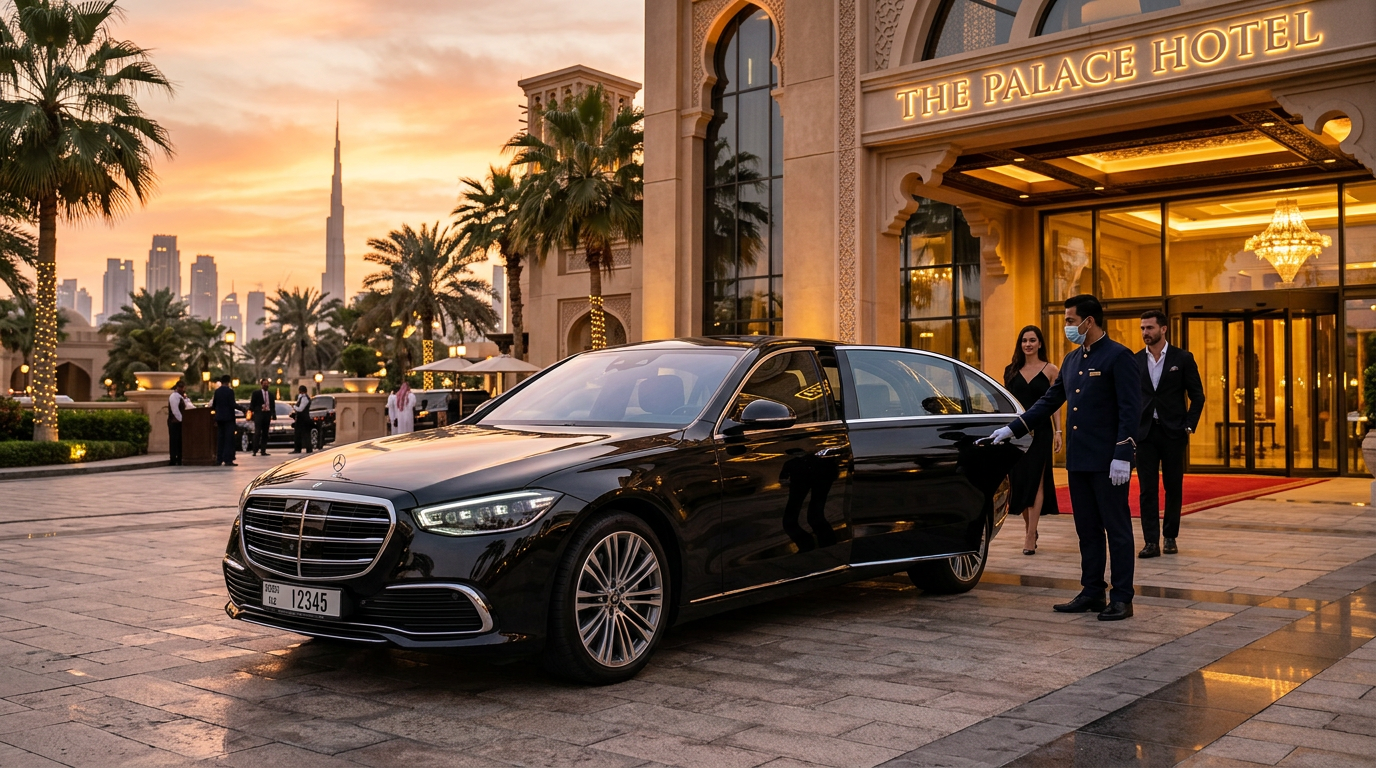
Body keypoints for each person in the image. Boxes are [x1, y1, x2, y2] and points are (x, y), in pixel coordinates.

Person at [989, 294, 1141, 621]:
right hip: (1080, 460)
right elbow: (1049, 401)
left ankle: (1123, 597)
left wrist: (1123, 454)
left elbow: (1131, 411)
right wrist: (1013, 428)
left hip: (1108, 461)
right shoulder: (1072, 361)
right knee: (1086, 528)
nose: (1066, 327)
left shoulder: (1118, 356)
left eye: (1071, 321)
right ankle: (1092, 591)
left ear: (1089, 321)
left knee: (1116, 528)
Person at [1136, 309, 1205, 558]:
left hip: (1173, 433)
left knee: (1173, 486)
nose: (1145, 332)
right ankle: (1151, 541)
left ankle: (1170, 537)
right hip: (1145, 433)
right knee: (1147, 489)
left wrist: (1189, 424)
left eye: (1150, 328)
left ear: (1163, 329)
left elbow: (1197, 395)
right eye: (1143, 328)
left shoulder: (1182, 358)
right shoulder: (1134, 360)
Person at [1002, 326, 1062, 555]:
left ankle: (1029, 535)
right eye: (1024, 341)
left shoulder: (1051, 370)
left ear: (1039, 343)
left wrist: (1059, 432)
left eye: (1032, 340)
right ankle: (1031, 528)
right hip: (1018, 433)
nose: (1028, 344)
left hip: (1042, 432)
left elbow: (1055, 403)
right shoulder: (1011, 370)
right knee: (1021, 482)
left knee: (1037, 480)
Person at [211, 375, 238, 467]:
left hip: (219, 418)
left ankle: (219, 459)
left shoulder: (217, 392)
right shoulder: (230, 392)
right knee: (228, 439)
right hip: (229, 418)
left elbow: (214, 405)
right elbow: (232, 404)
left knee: (220, 438)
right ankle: (228, 459)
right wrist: (242, 408)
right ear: (228, 382)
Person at [167, 381, 193, 466]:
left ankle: (179, 458)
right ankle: (173, 459)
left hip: (179, 422)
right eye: (180, 387)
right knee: (174, 441)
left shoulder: (181, 397)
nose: (182, 389)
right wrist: (182, 420)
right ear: (177, 387)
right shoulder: (174, 396)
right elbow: (175, 411)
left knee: (180, 441)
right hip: (175, 422)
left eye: (183, 387)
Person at [249, 378, 275, 456]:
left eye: (267, 384)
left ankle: (263, 450)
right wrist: (253, 412)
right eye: (264, 384)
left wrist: (273, 415)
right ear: (261, 384)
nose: (266, 385)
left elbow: (273, 405)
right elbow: (252, 404)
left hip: (267, 415)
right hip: (259, 415)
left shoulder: (271, 394)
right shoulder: (256, 393)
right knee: (257, 432)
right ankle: (255, 450)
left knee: (265, 433)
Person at [291, 385, 314, 454]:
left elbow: (300, 409)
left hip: (303, 419)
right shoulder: (302, 397)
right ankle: (299, 448)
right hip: (302, 419)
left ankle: (305, 449)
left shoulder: (304, 398)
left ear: (301, 391)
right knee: (299, 434)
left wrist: (294, 407)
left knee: (304, 434)